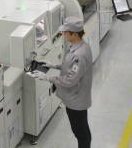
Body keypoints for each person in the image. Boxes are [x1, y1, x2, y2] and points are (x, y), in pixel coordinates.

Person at [33, 17, 93, 148]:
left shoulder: (79, 54)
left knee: (81, 132)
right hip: (74, 97)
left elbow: (71, 80)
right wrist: (53, 65)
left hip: (76, 101)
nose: (63, 34)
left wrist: (48, 78)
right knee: (80, 130)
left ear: (74, 34)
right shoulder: (78, 46)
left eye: (65, 32)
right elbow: (70, 68)